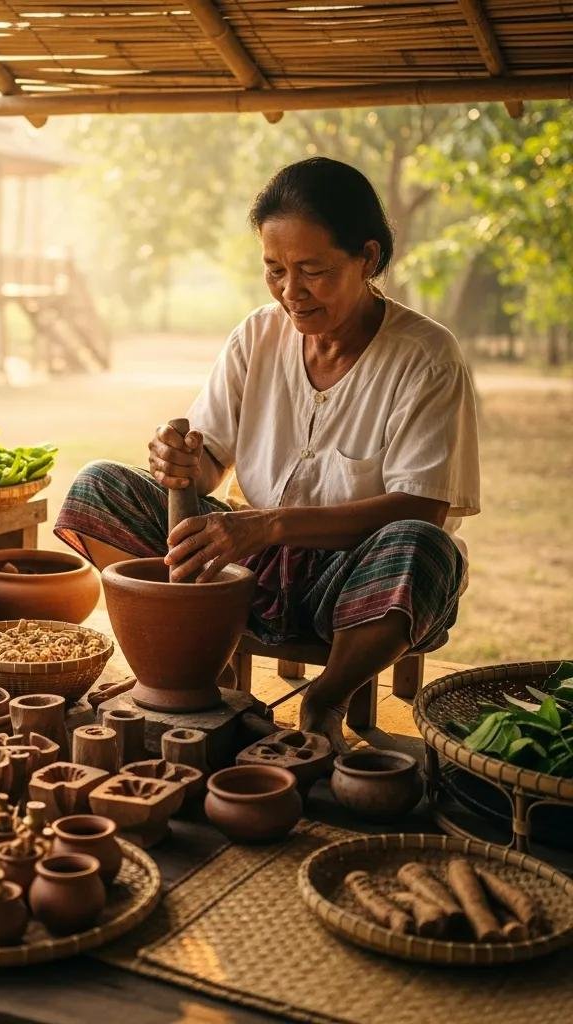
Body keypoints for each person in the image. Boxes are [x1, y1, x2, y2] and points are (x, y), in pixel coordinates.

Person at [55, 157, 480, 752]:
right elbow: (205, 464)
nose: (290, 293)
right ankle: (185, 665)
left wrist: (270, 525)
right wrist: (178, 461)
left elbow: (423, 507)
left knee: (423, 548)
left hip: (353, 578)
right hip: (241, 571)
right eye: (274, 270)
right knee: (97, 488)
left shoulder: (427, 357)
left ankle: (325, 698)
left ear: (369, 258)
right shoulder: (257, 335)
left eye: (313, 271)